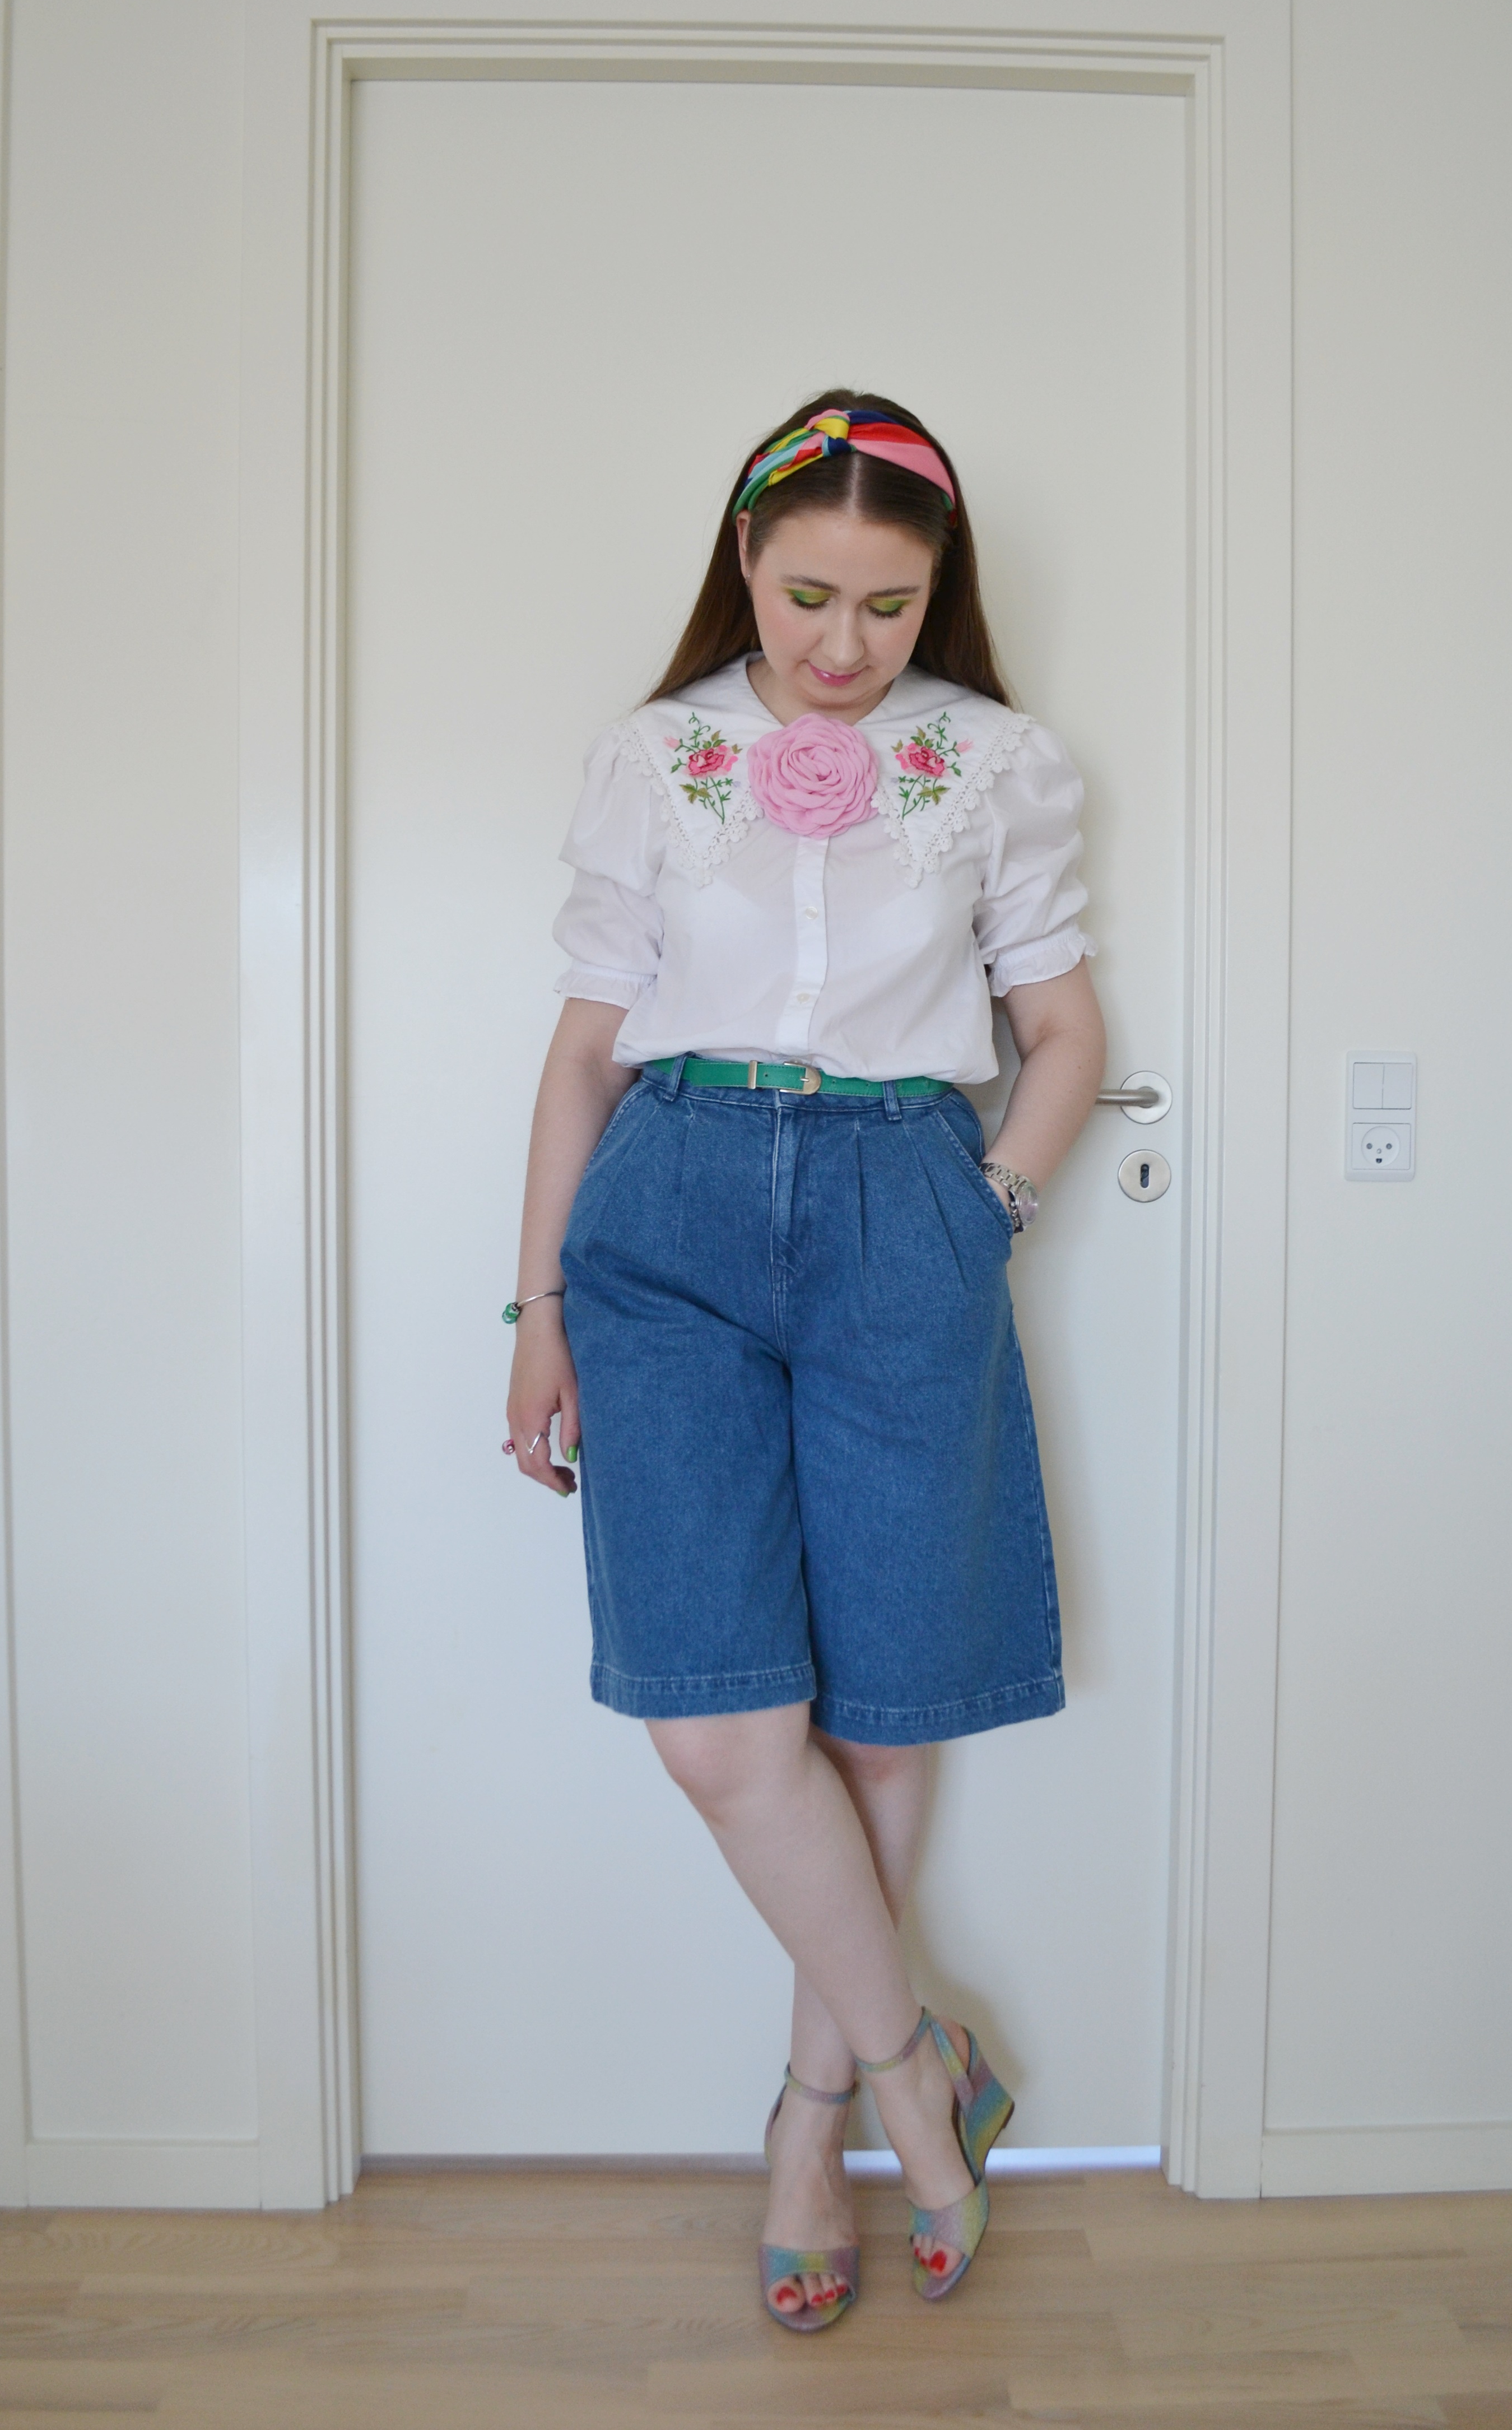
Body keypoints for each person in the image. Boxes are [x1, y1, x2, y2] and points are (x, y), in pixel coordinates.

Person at [505, 392, 1105, 2329]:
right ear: (746, 564)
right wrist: (538, 1311)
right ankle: (923, 2076)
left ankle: (812, 2113)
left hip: (900, 1207)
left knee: (881, 1713)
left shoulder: (997, 762)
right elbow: (582, 1053)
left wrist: (981, 1208)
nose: (845, 647)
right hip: (667, 1215)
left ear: (940, 593)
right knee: (718, 1725)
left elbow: (1065, 1035)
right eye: (809, 597)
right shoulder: (655, 757)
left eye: (890, 605)